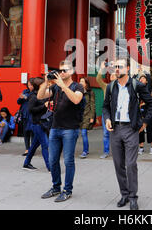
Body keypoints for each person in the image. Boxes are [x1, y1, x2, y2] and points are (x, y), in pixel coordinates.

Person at [103, 57, 152, 210]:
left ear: (127, 69)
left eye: (120, 67)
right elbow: (105, 106)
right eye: (115, 67)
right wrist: (106, 119)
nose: (116, 69)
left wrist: (144, 122)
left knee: (131, 164)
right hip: (115, 129)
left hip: (131, 129)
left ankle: (133, 197)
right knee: (118, 164)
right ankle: (124, 194)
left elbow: (151, 104)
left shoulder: (137, 85)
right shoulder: (111, 87)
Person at [38, 60, 84, 203]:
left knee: (68, 161)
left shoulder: (78, 86)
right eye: (60, 70)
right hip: (55, 128)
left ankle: (67, 190)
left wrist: (63, 85)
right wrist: (46, 82)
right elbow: (40, 96)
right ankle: (56, 187)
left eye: (64, 70)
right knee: (52, 160)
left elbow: (76, 100)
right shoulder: (55, 88)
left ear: (71, 72)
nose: (61, 73)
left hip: (70, 129)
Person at [23, 77, 50, 172]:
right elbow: (31, 110)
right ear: (39, 86)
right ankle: (50, 166)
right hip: (37, 124)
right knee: (45, 145)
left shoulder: (42, 95)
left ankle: (26, 163)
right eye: (43, 84)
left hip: (42, 123)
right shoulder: (33, 96)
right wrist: (44, 105)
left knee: (34, 145)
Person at [96, 61, 117, 159]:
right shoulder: (106, 87)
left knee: (117, 133)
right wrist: (102, 68)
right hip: (107, 113)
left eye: (114, 75)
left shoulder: (121, 87)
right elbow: (98, 79)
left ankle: (118, 152)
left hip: (117, 113)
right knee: (105, 133)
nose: (112, 76)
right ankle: (106, 151)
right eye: (111, 75)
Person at [137, 73, 152, 155]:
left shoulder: (148, 89)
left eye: (143, 78)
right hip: (140, 112)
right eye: (140, 78)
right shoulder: (137, 89)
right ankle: (141, 147)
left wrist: (146, 74)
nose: (141, 79)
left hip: (148, 112)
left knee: (150, 129)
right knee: (140, 129)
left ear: (147, 81)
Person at [79, 77, 96, 159]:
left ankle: (85, 151)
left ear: (86, 83)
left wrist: (92, 116)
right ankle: (87, 149)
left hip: (87, 115)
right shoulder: (78, 92)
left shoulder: (90, 93)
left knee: (83, 133)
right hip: (79, 116)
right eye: (80, 81)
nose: (80, 82)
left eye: (82, 81)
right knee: (82, 133)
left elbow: (92, 105)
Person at [17, 80, 34, 156]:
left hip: (33, 115)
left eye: (31, 85)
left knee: (33, 133)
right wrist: (21, 98)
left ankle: (32, 149)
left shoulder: (37, 92)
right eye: (29, 85)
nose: (30, 86)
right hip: (24, 115)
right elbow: (18, 102)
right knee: (26, 132)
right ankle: (27, 149)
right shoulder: (25, 91)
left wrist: (26, 97)